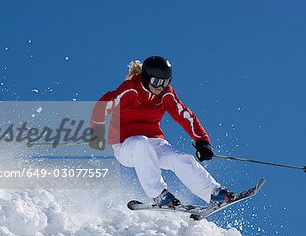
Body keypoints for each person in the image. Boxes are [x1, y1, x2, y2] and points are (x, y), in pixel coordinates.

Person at [89, 56, 234, 207]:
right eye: (157, 82)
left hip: (154, 141)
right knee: (140, 143)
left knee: (180, 158)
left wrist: (202, 141)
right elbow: (103, 106)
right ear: (146, 78)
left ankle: (213, 193)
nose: (160, 87)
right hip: (125, 145)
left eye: (165, 82)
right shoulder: (130, 89)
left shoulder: (166, 94)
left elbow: (184, 115)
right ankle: (158, 195)